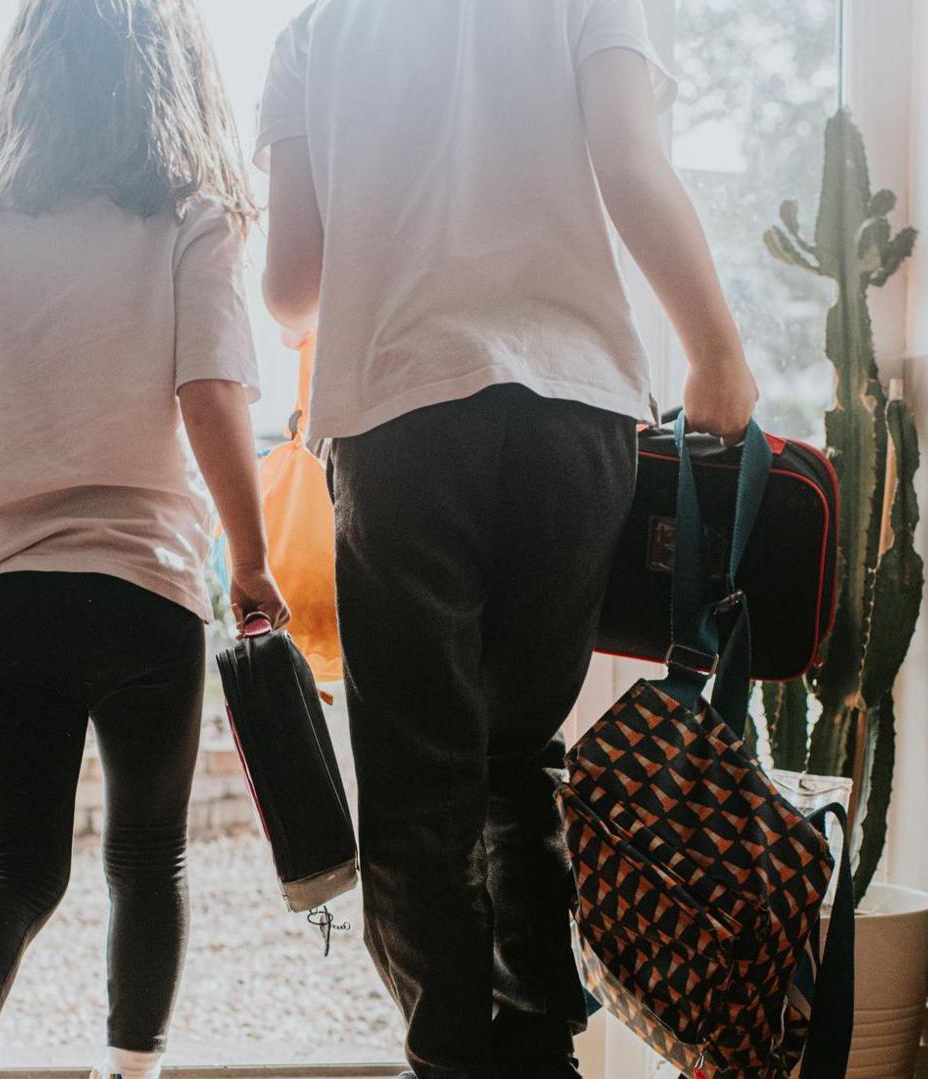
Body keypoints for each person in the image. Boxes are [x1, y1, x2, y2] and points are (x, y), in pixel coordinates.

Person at [257, 2, 760, 1077]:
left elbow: (291, 287)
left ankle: (452, 1059)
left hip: (401, 422)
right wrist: (715, 348)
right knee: (520, 761)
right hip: (573, 415)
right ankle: (541, 1051)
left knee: (419, 781)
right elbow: (629, 164)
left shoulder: (316, 33)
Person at [0, 2, 287, 1077]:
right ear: (172, 76)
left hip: (9, 596)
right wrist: (253, 560)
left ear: (27, 73)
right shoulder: (194, 213)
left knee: (19, 865)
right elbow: (214, 393)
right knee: (147, 858)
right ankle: (131, 1072)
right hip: (147, 590)